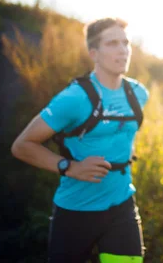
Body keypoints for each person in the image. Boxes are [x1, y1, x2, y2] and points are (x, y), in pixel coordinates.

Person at [11, 17, 149, 263]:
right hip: (76, 211)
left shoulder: (138, 93)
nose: (123, 50)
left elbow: (126, 134)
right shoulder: (74, 98)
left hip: (122, 206)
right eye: (112, 43)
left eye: (125, 43)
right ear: (94, 53)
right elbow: (22, 145)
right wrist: (70, 167)